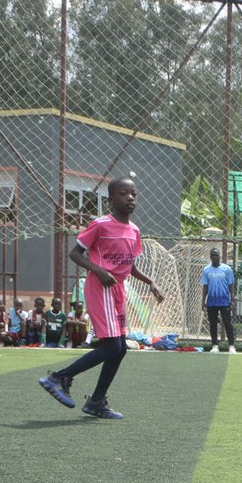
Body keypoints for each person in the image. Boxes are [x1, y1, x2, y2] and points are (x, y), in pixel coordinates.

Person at [38, 177, 163, 419]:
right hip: (100, 286)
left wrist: (151, 283)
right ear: (111, 199)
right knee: (113, 346)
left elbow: (129, 265)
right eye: (123, 193)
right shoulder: (100, 225)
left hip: (117, 289)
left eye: (133, 194)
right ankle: (59, 378)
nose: (130, 198)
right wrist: (98, 270)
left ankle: (96, 401)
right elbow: (76, 254)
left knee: (120, 349)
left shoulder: (134, 230)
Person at [200, 248, 236, 353]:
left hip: (224, 301)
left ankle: (231, 346)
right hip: (212, 301)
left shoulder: (227, 269)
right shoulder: (206, 270)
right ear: (210, 257)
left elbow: (231, 284)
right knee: (213, 324)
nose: (215, 257)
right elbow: (205, 286)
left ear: (219, 256)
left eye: (216, 255)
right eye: (213, 255)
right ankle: (215, 345)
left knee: (227, 323)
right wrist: (203, 301)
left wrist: (232, 298)